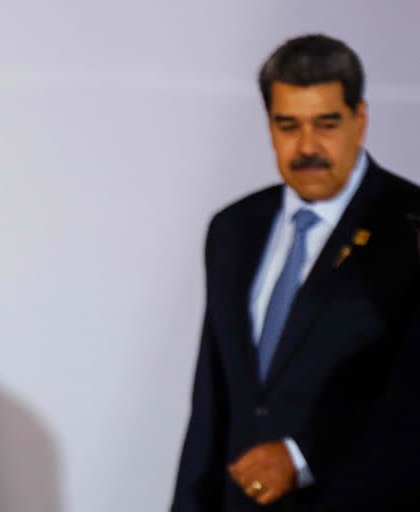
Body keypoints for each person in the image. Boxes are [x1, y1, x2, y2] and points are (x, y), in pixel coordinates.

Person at [171, 34, 420, 511]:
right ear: (269, 126)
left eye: (326, 124)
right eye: (288, 126)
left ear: (359, 120)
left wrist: (302, 457)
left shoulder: (408, 226)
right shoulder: (233, 229)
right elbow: (213, 402)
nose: (307, 147)